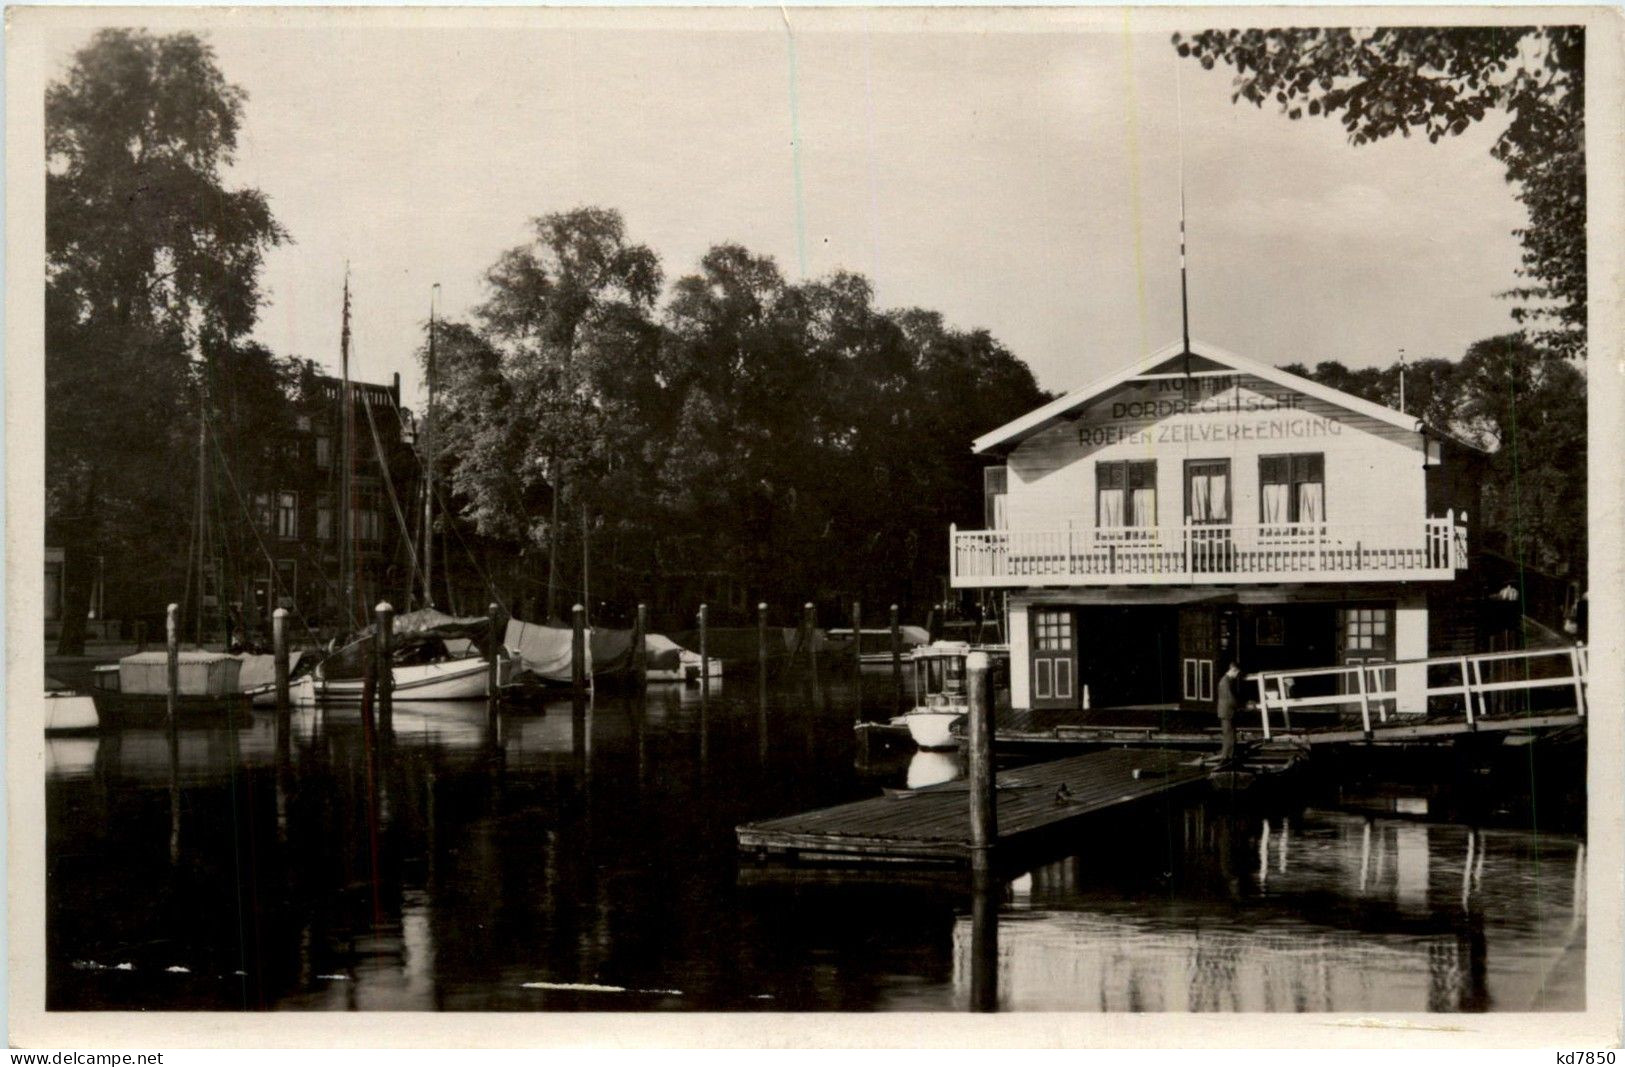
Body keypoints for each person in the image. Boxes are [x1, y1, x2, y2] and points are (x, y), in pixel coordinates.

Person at [1215, 661, 1241, 765]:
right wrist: (1240, 706)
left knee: (1229, 734)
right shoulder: (1225, 682)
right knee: (1229, 735)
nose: (1237, 675)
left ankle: (1229, 756)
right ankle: (1226, 758)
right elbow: (1230, 699)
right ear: (1233, 670)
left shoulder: (1227, 681)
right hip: (1227, 712)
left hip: (1227, 711)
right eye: (1237, 673)